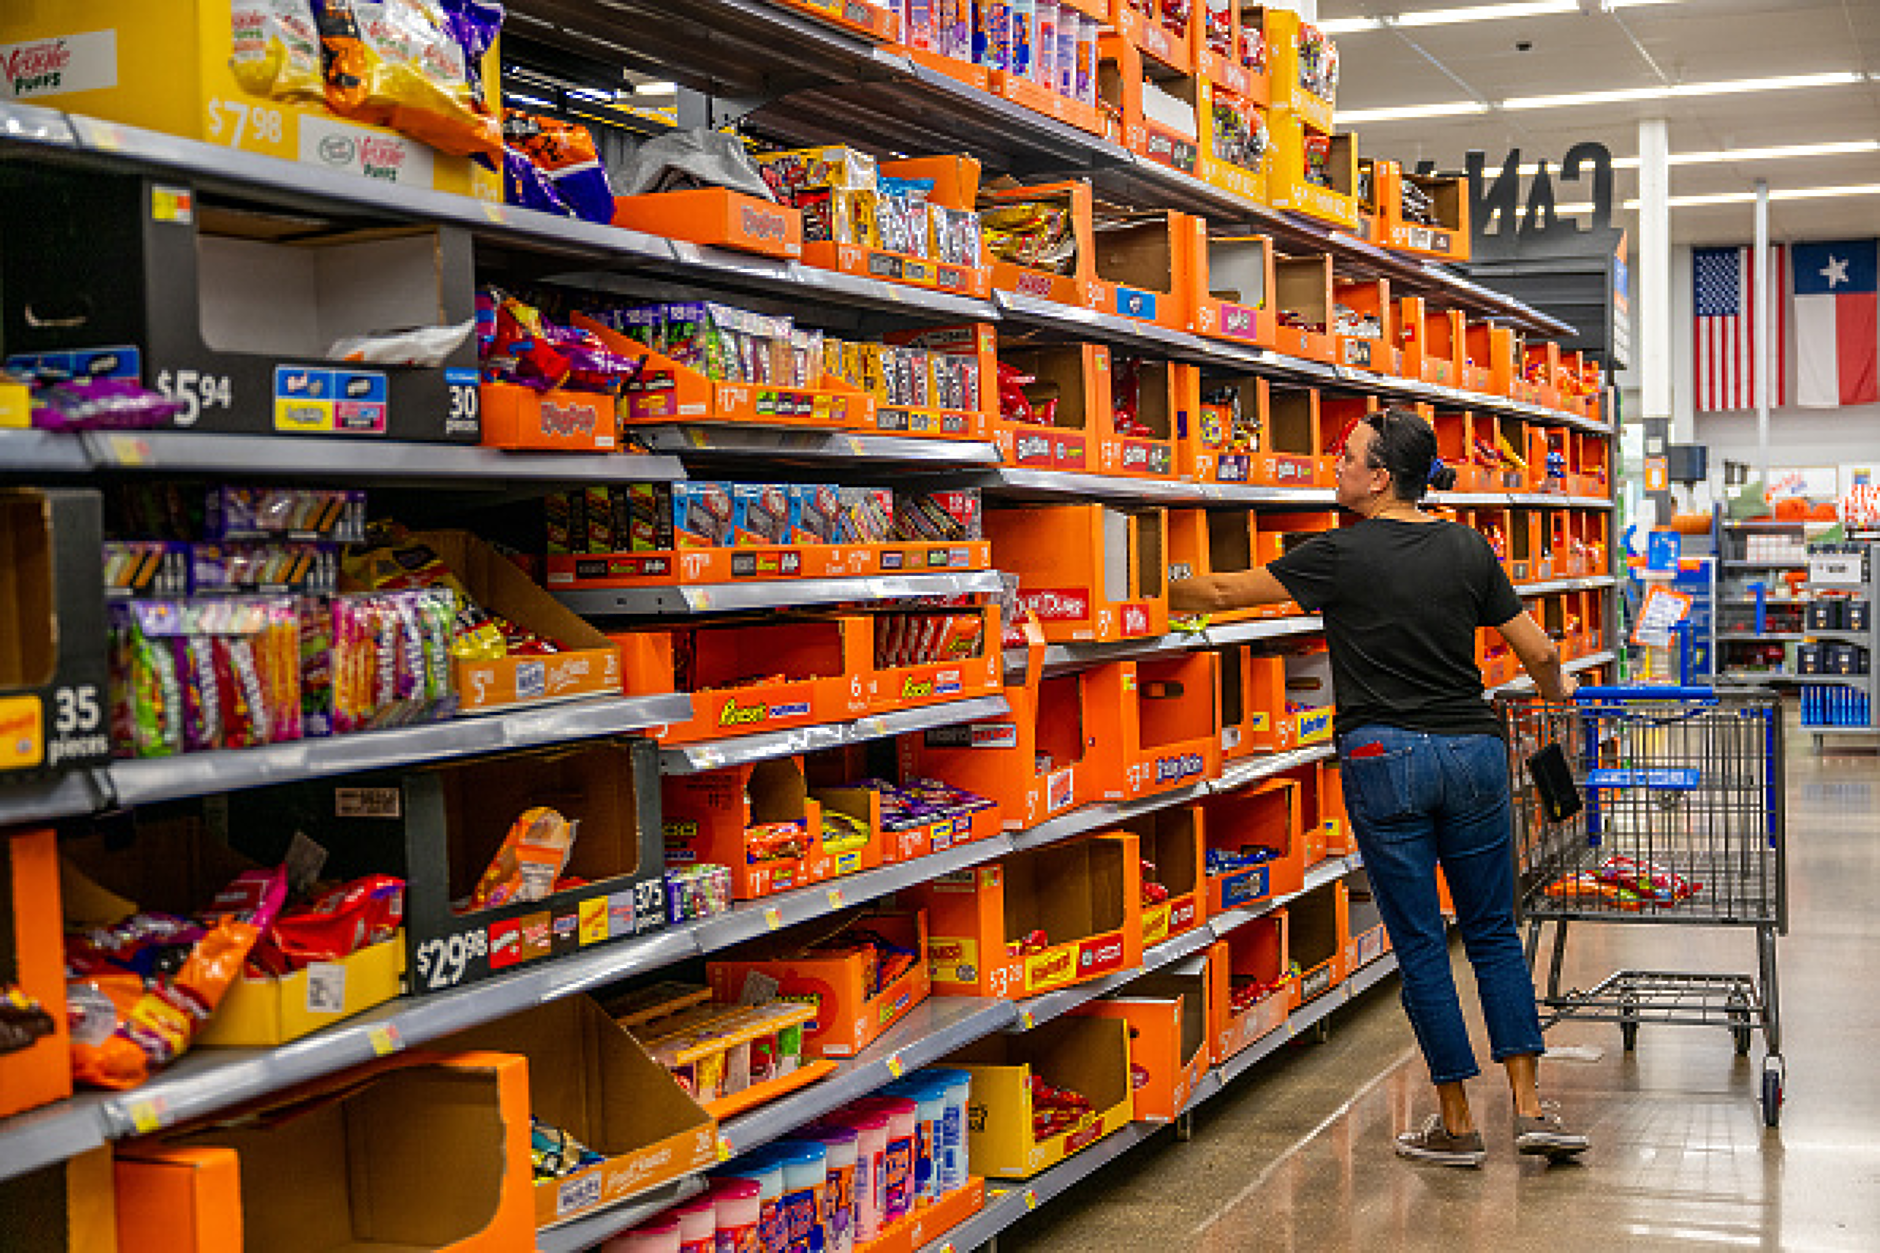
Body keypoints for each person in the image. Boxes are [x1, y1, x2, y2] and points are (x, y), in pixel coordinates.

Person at [1169, 407, 1589, 1168]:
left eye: (1347, 455)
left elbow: (1224, 591)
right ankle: (1530, 1108)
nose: (1336, 465)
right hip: (1472, 752)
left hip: (1384, 757)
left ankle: (1457, 1122)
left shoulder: (1336, 553)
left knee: (1423, 940)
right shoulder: (1467, 545)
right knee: (1492, 930)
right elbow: (1534, 647)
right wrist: (1556, 689)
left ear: (1382, 475)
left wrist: (1154, 572)